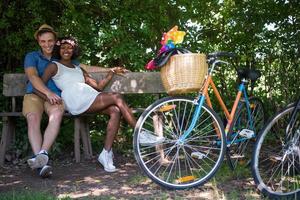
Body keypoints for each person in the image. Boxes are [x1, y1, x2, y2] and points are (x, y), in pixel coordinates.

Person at [41, 36, 165, 172]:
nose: (66, 50)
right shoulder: (54, 66)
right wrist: (48, 96)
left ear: (73, 50)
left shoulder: (79, 69)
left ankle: (105, 154)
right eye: (63, 47)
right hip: (75, 98)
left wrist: (110, 73)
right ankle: (140, 133)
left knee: (115, 111)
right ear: (58, 49)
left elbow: (98, 87)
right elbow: (38, 84)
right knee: (116, 97)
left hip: (89, 96)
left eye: (69, 47)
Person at [23, 24, 110, 178]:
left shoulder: (61, 57)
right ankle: (41, 163)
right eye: (43, 41)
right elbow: (33, 77)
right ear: (38, 41)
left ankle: (42, 154)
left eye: (50, 41)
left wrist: (111, 69)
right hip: (35, 94)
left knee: (56, 113)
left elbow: (86, 68)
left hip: (56, 97)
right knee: (33, 118)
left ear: (55, 41)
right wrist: (47, 92)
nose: (47, 44)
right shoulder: (32, 56)